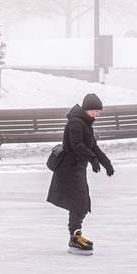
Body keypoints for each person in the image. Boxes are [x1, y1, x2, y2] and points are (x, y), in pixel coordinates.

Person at [46, 92, 114, 255]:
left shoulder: (86, 123)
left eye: (99, 111)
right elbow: (77, 145)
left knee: (81, 203)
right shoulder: (75, 124)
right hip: (68, 170)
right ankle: (74, 238)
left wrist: (106, 163)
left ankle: (76, 235)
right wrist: (92, 159)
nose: (97, 114)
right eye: (95, 111)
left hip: (77, 169)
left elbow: (93, 146)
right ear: (87, 109)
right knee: (79, 203)